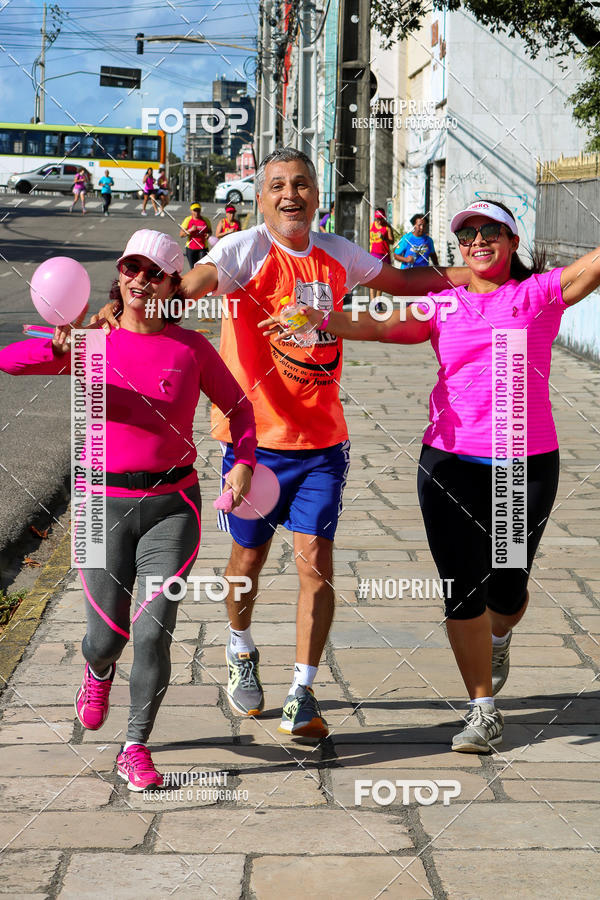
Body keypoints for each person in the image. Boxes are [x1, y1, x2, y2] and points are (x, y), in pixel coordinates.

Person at [94, 147, 471, 740]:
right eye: (277, 186)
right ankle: (240, 647)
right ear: (262, 197)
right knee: (248, 560)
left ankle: (303, 689)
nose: (289, 194)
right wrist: (136, 306)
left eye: (300, 184)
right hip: (256, 449)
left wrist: (471, 274)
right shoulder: (244, 249)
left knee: (316, 565)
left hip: (323, 445)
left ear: (317, 196)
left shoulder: (336, 253)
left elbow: (401, 282)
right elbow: (195, 285)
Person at [267, 198, 600, 753]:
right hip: (448, 461)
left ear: (513, 241)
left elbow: (591, 267)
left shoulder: (537, 295)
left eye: (490, 231)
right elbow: (381, 324)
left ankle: (498, 635)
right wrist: (317, 317)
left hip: (523, 467)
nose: (478, 241)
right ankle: (482, 709)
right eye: (467, 234)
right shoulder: (443, 305)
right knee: (461, 587)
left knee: (507, 592)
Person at [0, 230, 256, 790]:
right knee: (106, 638)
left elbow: (239, 408)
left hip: (174, 506)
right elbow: (9, 362)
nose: (140, 278)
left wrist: (241, 463)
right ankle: (96, 671)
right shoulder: (94, 342)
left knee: (152, 634)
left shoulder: (191, 349)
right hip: (99, 504)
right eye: (130, 267)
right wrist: (58, 349)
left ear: (171, 284)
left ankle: (135, 744)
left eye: (154, 271)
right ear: (120, 275)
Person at [369, 208, 394, 306]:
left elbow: (392, 241)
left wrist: (384, 238)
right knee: (372, 279)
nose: (379, 221)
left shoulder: (387, 227)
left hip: (384, 255)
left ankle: (378, 302)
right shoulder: (371, 226)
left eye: (381, 219)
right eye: (377, 219)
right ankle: (372, 302)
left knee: (381, 281)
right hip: (373, 255)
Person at [179, 202, 212, 269]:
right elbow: (181, 235)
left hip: (203, 248)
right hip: (191, 248)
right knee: (193, 269)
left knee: (203, 268)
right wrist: (190, 230)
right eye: (195, 210)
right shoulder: (188, 220)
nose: (197, 212)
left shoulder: (205, 220)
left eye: (198, 210)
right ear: (191, 211)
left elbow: (210, 231)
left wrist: (208, 235)